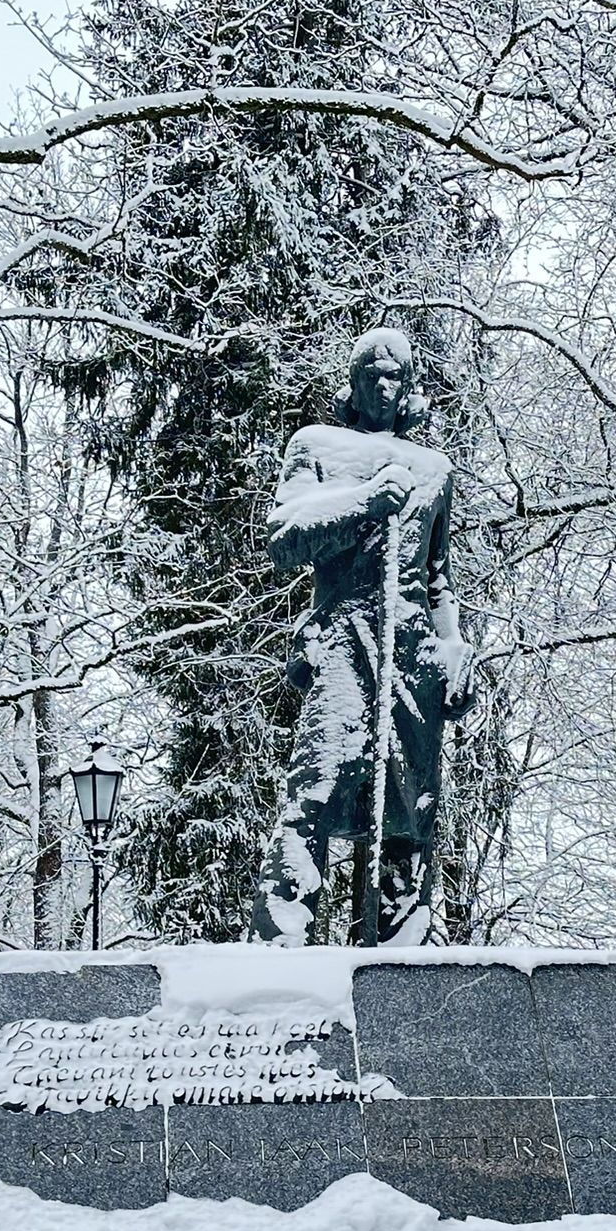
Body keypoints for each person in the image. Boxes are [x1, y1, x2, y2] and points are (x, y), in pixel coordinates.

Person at [250, 327, 473, 946]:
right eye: (370, 374)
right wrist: (366, 502)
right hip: (342, 635)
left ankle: (401, 955)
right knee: (317, 789)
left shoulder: (434, 468)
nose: (383, 386)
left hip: (413, 646)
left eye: (395, 376)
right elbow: (285, 535)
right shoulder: (316, 446)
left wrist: (454, 649)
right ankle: (282, 942)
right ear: (353, 384)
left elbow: (438, 577)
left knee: (409, 806)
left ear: (409, 388)